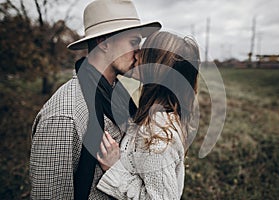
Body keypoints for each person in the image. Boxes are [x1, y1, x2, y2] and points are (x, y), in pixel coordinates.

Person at [29, 0, 161, 199]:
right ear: (105, 42)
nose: (139, 52)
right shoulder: (64, 117)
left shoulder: (117, 95)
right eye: (134, 42)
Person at [96, 31, 201, 199]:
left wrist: (114, 170)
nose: (136, 55)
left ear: (156, 67)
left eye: (144, 52)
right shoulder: (156, 116)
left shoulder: (157, 133)